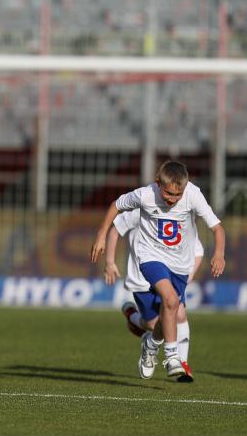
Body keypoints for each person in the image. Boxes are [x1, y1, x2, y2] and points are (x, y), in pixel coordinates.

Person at [90, 161, 225, 379]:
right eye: (168, 194)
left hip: (179, 265)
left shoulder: (193, 195)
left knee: (166, 315)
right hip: (150, 258)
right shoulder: (145, 195)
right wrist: (101, 236)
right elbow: (116, 205)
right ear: (157, 184)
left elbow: (217, 228)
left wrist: (219, 254)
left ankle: (151, 344)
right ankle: (173, 357)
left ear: (186, 186)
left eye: (177, 195)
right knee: (171, 302)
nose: (172, 199)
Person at [104, 208, 201, 383]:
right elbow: (116, 228)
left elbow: (197, 251)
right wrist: (110, 262)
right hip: (141, 278)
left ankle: (183, 364)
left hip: (170, 274)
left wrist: (188, 275)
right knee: (154, 325)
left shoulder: (180, 214)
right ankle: (133, 317)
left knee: (178, 312)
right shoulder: (142, 210)